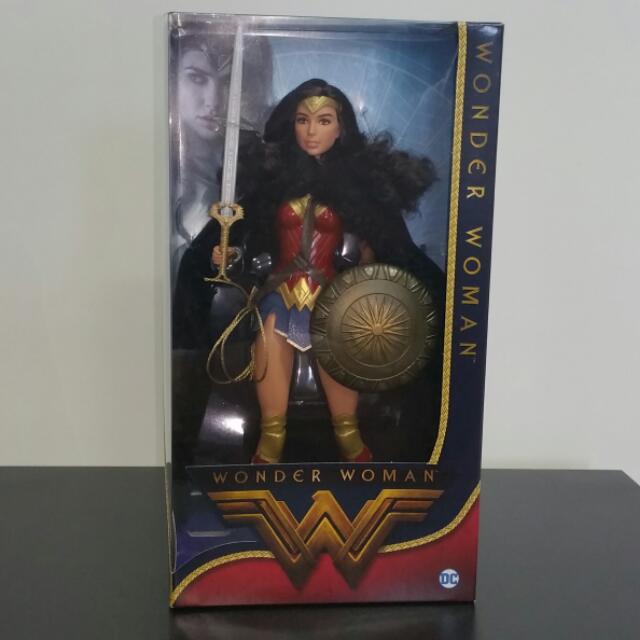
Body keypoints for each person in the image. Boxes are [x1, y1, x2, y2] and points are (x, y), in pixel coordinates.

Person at [211, 78, 445, 464]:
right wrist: (229, 255)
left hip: (333, 291)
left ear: (341, 129)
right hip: (281, 287)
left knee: (336, 340)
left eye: (323, 121)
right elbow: (251, 240)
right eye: (302, 120)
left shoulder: (359, 189)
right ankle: (271, 438)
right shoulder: (275, 185)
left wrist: (372, 272)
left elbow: (387, 247)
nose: (311, 131)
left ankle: (349, 436)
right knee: (270, 333)